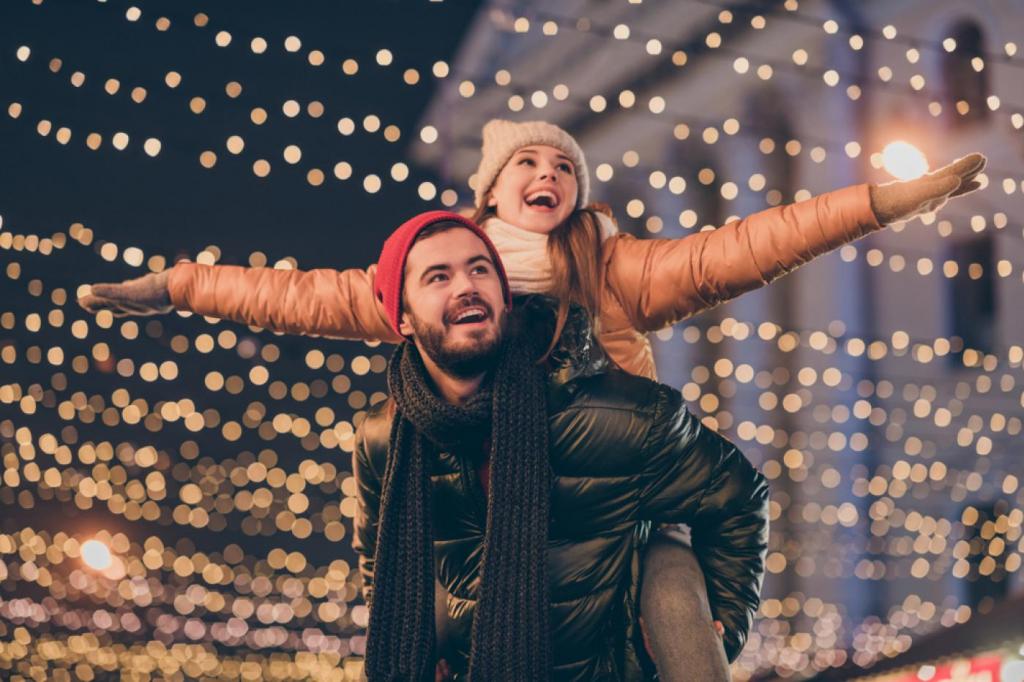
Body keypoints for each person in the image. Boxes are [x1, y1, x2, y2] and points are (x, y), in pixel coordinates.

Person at [78, 120, 985, 676]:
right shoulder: (436, 272)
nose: (549, 174)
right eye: (530, 162)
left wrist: (879, 203)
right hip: (490, 489)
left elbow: (744, 248)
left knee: (674, 590)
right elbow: (293, 296)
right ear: (492, 187)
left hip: (614, 486)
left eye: (564, 166)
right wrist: (181, 285)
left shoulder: (610, 265)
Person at [352, 209, 768, 679]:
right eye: (438, 277)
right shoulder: (383, 439)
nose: (465, 285)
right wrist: (420, 645)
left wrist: (720, 633)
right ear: (403, 317)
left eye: (479, 269)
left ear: (502, 295)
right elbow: (378, 556)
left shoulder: (623, 415)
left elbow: (740, 499)